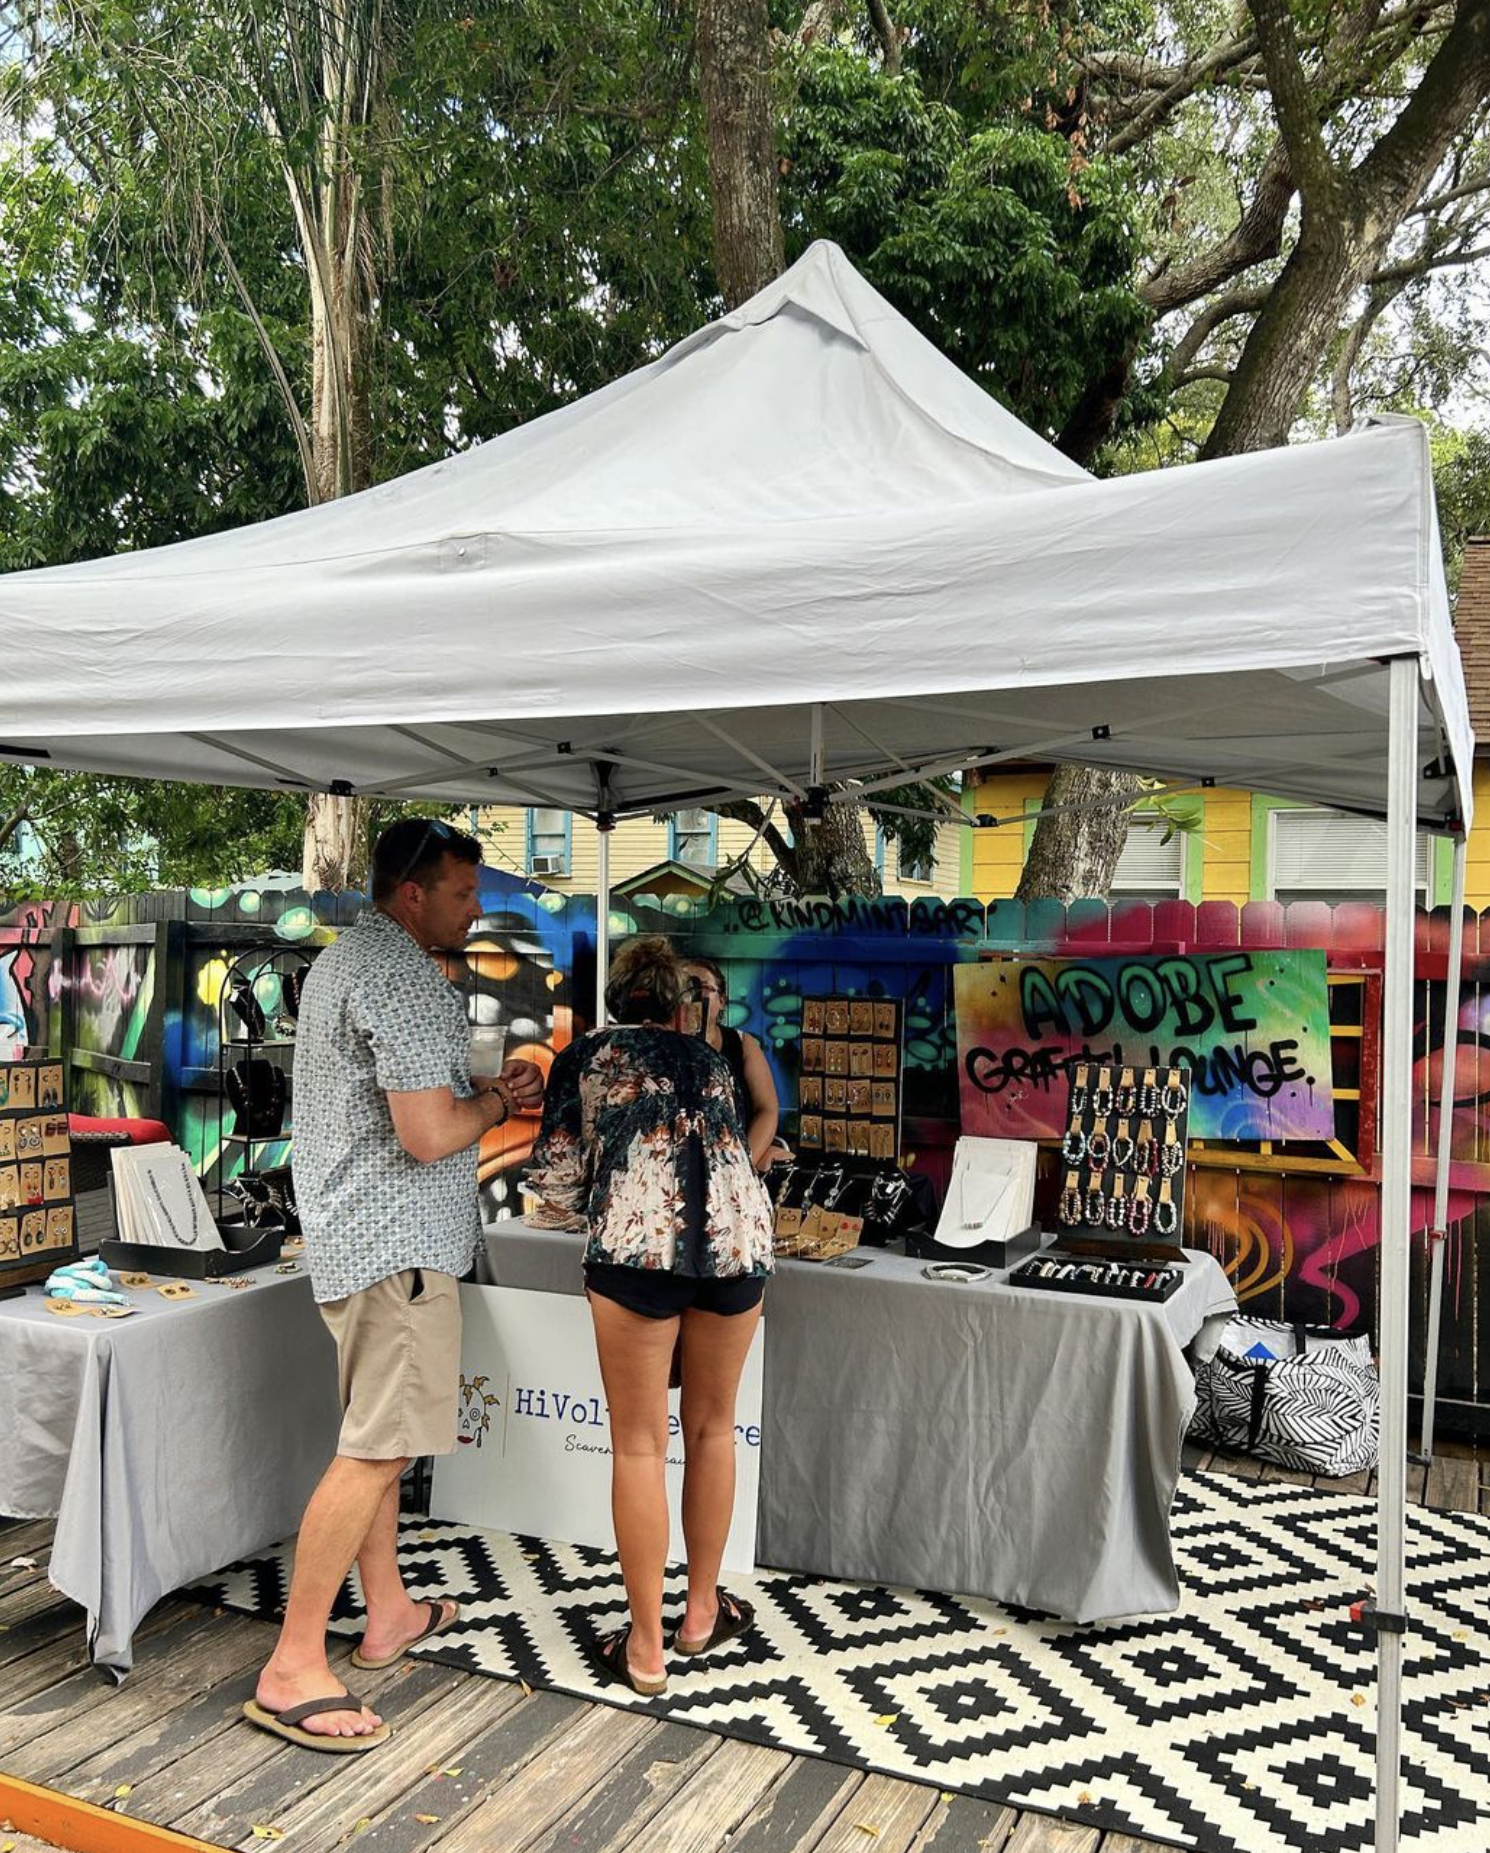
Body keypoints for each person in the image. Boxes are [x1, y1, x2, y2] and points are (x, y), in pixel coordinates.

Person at [245, 817, 544, 1752]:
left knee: (373, 1437)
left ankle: (388, 1614)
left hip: (350, 1241)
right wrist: (500, 1099)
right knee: (376, 1451)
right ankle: (294, 1660)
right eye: (463, 893)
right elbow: (428, 1134)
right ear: (411, 892)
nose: (477, 909)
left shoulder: (341, 959)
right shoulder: (407, 974)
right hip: (398, 1250)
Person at [525, 935, 774, 1695]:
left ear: (616, 998)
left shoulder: (587, 1058)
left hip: (637, 1248)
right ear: (677, 1001)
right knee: (712, 1428)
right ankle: (701, 1613)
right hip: (737, 1246)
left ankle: (644, 1647)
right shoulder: (710, 1060)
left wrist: (594, 1200)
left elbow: (560, 1184)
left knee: (638, 1444)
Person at [681, 957, 786, 1172]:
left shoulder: (743, 1044)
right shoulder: (664, 1044)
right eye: (686, 987)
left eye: (704, 987)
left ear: (722, 1000)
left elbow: (767, 1109)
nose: (696, 994)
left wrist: (743, 1165)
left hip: (736, 1157)